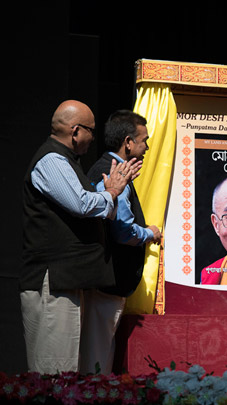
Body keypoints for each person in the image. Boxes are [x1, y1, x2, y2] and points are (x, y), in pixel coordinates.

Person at [20, 100, 140, 374]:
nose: (92, 138)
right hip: (54, 279)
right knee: (54, 370)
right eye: (91, 131)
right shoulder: (51, 160)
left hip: (69, 279)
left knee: (68, 368)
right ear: (75, 131)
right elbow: (82, 205)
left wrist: (108, 196)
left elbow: (93, 208)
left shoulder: (66, 161)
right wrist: (111, 193)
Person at [86, 110, 162, 374]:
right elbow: (123, 231)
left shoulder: (110, 168)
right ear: (128, 142)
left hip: (105, 279)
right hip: (108, 279)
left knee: (100, 349)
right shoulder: (113, 174)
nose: (147, 147)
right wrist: (149, 233)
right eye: (144, 140)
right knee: (97, 354)